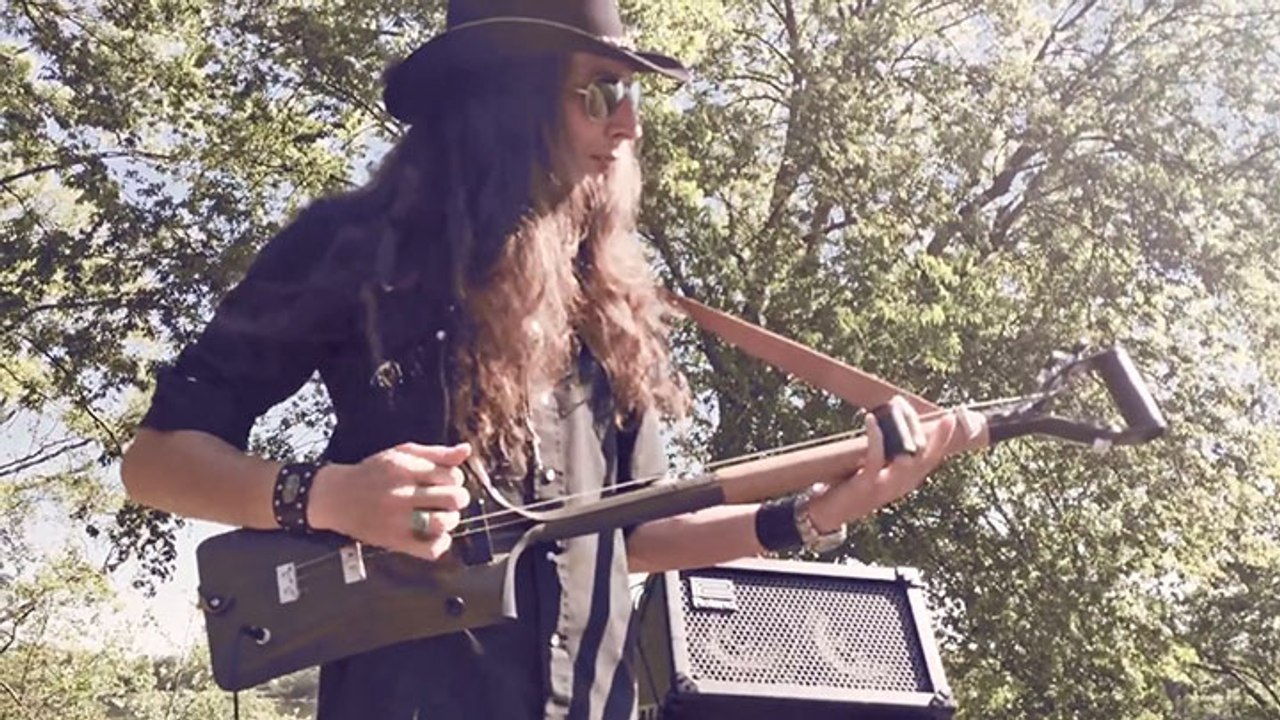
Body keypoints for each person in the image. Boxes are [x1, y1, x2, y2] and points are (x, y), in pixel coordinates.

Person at [120, 1, 963, 717]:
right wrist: (328, 496)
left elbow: (635, 535)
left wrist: (807, 517)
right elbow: (156, 464)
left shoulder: (612, 294)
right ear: (504, 99)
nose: (628, 124)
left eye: (630, 95)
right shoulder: (351, 247)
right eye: (600, 92)